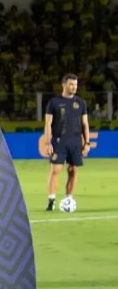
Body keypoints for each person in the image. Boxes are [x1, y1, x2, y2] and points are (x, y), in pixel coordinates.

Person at [44, 73, 91, 211]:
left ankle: (69, 199)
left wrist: (86, 143)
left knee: (73, 171)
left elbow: (85, 124)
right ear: (64, 85)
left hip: (76, 142)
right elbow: (48, 123)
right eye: (71, 84)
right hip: (59, 141)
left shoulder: (81, 103)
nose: (74, 87)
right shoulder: (54, 102)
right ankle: (51, 201)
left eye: (76, 85)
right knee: (55, 170)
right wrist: (48, 142)